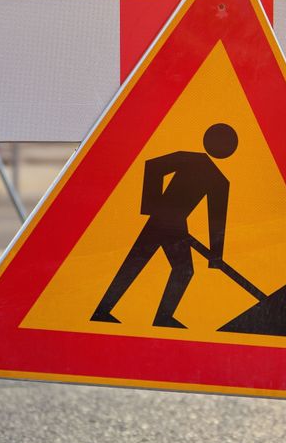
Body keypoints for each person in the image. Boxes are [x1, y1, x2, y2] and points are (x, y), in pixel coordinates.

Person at [91, 123, 235, 328]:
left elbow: (216, 220)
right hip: (168, 221)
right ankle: (159, 318)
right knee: (178, 270)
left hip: (170, 221)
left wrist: (216, 255)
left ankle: (104, 311)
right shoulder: (216, 178)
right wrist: (215, 256)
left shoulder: (209, 173)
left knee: (138, 262)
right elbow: (153, 166)